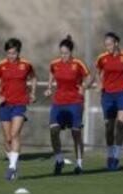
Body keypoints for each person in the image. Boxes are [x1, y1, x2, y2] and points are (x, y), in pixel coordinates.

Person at [45, 35, 92, 175]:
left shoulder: (78, 64)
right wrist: (49, 87)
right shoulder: (55, 64)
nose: (63, 56)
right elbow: (51, 73)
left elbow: (90, 77)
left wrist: (84, 86)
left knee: (76, 133)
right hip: (58, 102)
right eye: (61, 53)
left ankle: (79, 164)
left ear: (71, 52)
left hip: (74, 102)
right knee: (53, 131)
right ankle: (59, 160)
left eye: (66, 53)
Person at [0, 38, 37, 180]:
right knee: (7, 139)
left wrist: (33, 93)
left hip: (20, 104)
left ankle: (11, 167)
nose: (11, 56)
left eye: (13, 53)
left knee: (14, 134)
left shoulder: (26, 65)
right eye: (9, 53)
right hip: (5, 105)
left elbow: (34, 78)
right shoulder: (1, 66)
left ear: (18, 52)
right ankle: (13, 164)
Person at [96, 32, 123, 171]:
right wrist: (99, 84)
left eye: (109, 44)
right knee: (109, 127)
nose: (107, 47)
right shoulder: (102, 58)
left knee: (120, 124)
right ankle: (109, 155)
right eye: (106, 44)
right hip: (107, 95)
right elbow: (98, 73)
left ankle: (116, 157)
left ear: (116, 43)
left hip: (122, 94)